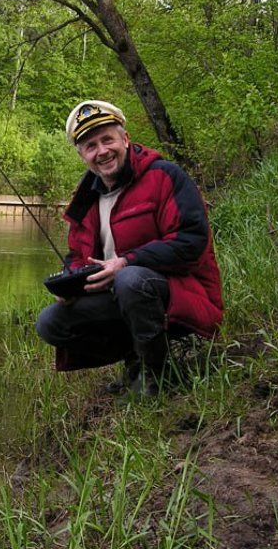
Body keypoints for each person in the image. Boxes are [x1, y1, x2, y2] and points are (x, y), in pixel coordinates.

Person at [35, 100, 223, 396]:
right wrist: (70, 280)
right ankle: (136, 361)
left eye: (107, 139)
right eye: (91, 146)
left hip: (186, 294)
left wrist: (126, 261)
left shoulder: (164, 175)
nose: (102, 151)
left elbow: (191, 241)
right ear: (83, 155)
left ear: (125, 138)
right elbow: (77, 254)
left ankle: (158, 378)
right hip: (120, 297)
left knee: (129, 280)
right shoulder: (86, 198)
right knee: (50, 323)